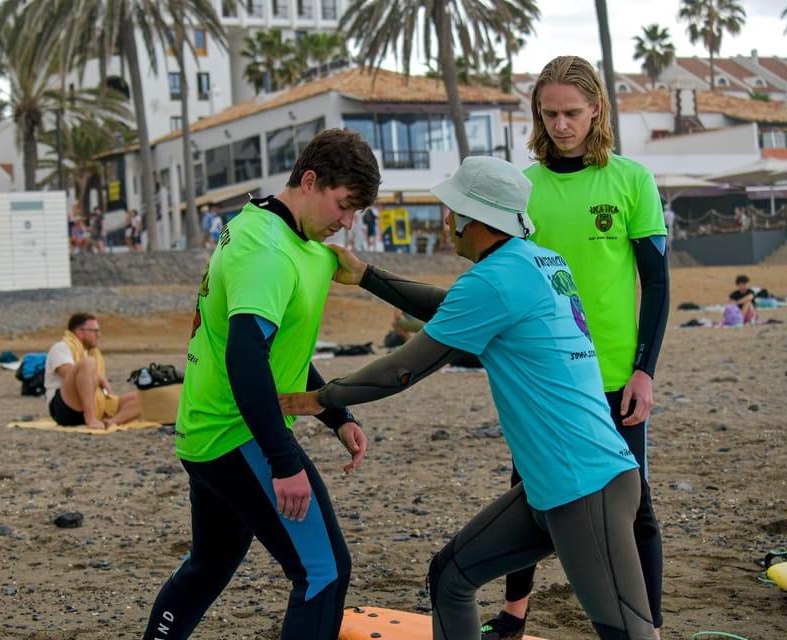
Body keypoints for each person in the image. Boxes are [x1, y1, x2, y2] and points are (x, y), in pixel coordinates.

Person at [279, 155, 657, 640]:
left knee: (630, 635)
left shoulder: (497, 279)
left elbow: (403, 368)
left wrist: (323, 398)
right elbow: (453, 309)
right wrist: (369, 276)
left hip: (588, 487)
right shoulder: (535, 260)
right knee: (451, 577)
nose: (445, 220)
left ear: (475, 220)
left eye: (451, 209)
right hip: (551, 487)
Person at [142, 128, 381, 640]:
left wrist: (335, 414)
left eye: (356, 212)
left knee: (208, 566)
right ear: (310, 180)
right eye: (343, 206)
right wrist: (284, 461)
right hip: (237, 434)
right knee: (323, 573)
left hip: (204, 432)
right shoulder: (266, 249)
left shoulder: (287, 238)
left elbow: (281, 352)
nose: (346, 223)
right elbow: (246, 358)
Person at [482, 55, 670, 640]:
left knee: (634, 505)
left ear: (596, 111)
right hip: (542, 374)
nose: (561, 125)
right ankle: (515, 614)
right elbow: (499, 274)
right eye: (550, 113)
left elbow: (657, 283)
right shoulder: (522, 188)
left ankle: (650, 626)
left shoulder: (631, 179)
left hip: (614, 372)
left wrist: (645, 371)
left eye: (572, 113)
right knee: (528, 494)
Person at [43, 313, 141, 429]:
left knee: (144, 397)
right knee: (89, 363)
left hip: (93, 402)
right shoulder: (61, 347)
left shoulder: (91, 352)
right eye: (95, 331)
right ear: (80, 332)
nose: (99, 335)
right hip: (65, 407)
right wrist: (100, 378)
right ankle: (91, 418)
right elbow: (68, 373)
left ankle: (112, 421)